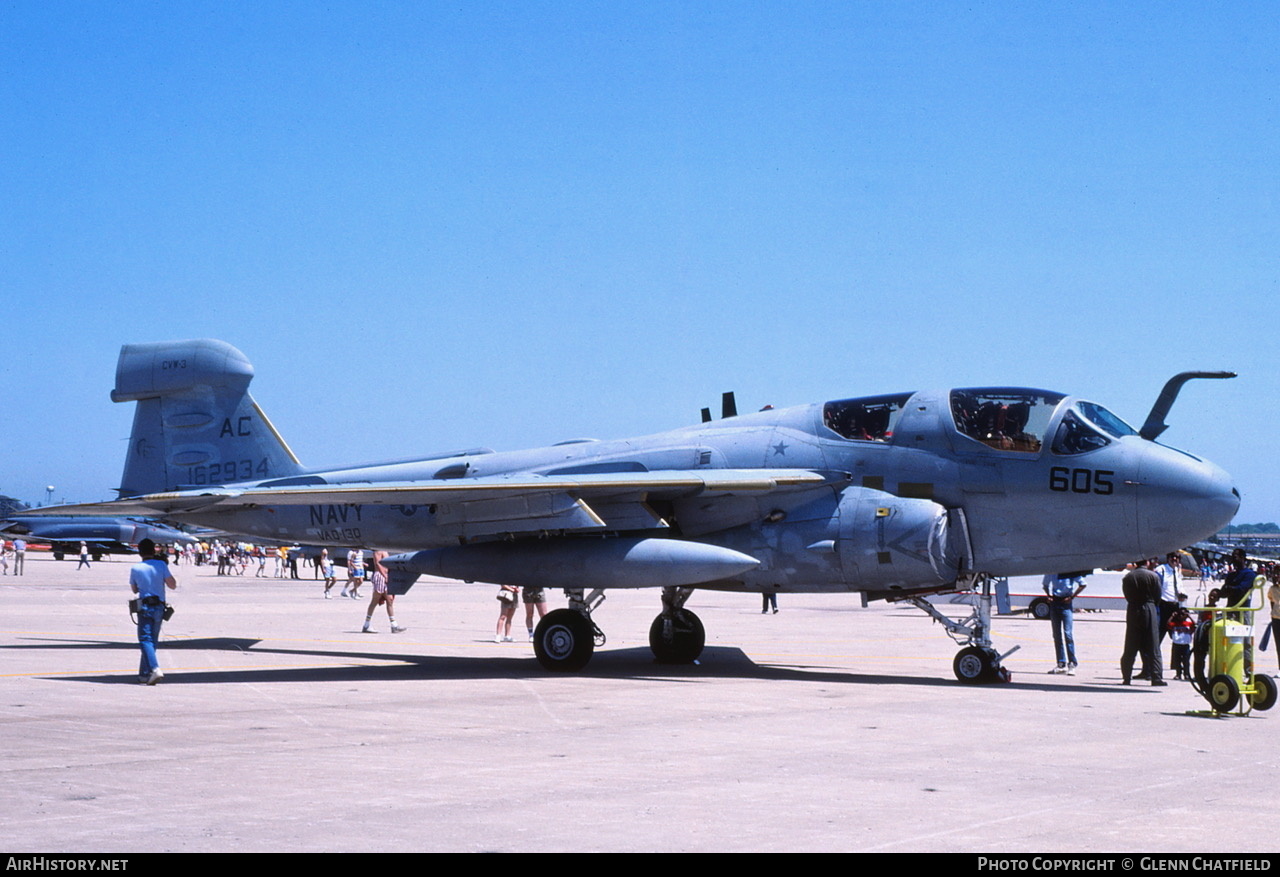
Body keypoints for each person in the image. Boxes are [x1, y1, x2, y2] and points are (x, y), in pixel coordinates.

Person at [129, 538, 177, 685]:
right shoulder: (161, 565)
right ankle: (144, 674)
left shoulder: (136, 568)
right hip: (160, 607)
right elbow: (172, 585)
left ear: (140, 552)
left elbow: (134, 589)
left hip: (145, 607)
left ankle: (155, 668)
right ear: (154, 550)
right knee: (152, 642)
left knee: (145, 640)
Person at [1120, 559, 1165, 686]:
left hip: (1133, 609)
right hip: (1149, 607)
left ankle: (1126, 677)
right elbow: (1157, 595)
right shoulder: (1153, 576)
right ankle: (1156, 677)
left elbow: (1127, 595)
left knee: (1130, 645)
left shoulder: (1128, 577)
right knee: (1153, 645)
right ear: (1147, 562)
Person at [1043, 571, 1086, 674]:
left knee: (1068, 634)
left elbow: (1083, 584)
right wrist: (1048, 595)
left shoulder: (1069, 571)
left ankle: (1072, 663)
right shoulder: (1052, 572)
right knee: (1057, 635)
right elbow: (1045, 584)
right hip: (1055, 602)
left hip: (1065, 603)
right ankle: (1061, 663)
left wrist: (1072, 597)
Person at [361, 551, 405, 633]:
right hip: (380, 576)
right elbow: (378, 564)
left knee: (390, 600)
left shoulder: (385, 550)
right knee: (375, 601)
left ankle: (394, 625)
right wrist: (385, 576)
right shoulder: (377, 551)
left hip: (385, 575)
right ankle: (366, 624)